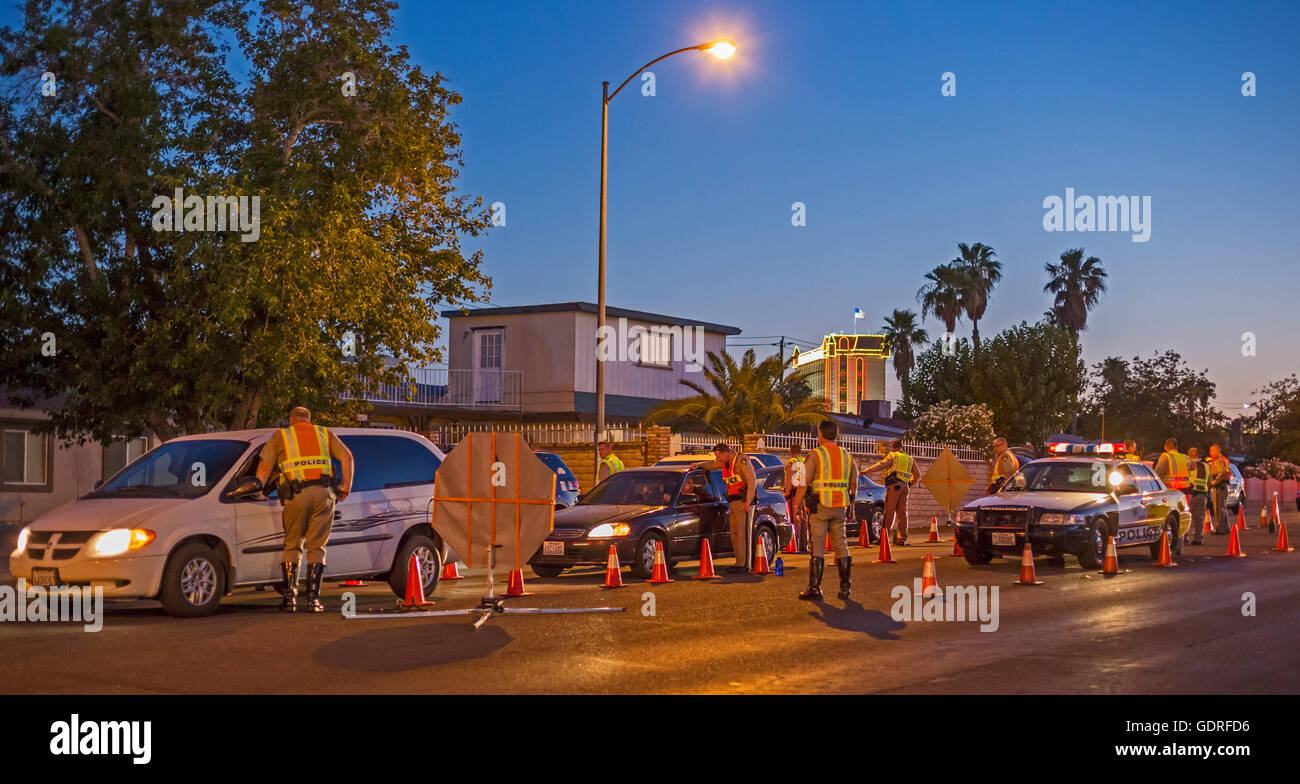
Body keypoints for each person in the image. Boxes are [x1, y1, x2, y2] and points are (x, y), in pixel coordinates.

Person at [255, 407, 354, 612]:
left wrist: (257, 489)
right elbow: (347, 456)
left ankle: (290, 600)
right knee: (317, 548)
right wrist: (346, 486)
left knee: (292, 545)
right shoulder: (324, 433)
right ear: (309, 420)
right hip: (324, 495)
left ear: (292, 420)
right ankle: (313, 600)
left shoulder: (281, 435)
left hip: (296, 496)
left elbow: (265, 467)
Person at [793, 420, 858, 600]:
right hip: (840, 507)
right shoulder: (847, 456)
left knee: (818, 547)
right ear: (835, 435)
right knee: (841, 545)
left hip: (820, 508)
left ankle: (815, 588)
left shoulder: (816, 455)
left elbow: (804, 482)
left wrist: (796, 505)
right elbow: (854, 485)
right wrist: (851, 507)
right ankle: (845, 588)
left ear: (820, 434)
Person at [691, 443, 757, 573]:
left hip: (743, 501)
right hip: (733, 501)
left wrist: (748, 501)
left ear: (725, 453)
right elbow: (712, 465)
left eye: (718, 456)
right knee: (734, 534)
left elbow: (751, 480)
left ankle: (745, 565)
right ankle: (739, 563)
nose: (718, 459)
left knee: (743, 534)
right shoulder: (726, 463)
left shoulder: (741, 460)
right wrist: (698, 465)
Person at [863, 439, 917, 546]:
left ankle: (883, 538)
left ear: (893, 447)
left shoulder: (893, 456)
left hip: (894, 486)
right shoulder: (910, 459)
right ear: (902, 446)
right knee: (902, 514)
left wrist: (866, 471)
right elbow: (917, 474)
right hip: (905, 487)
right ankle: (902, 539)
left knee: (889, 512)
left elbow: (881, 465)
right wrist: (909, 484)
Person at [784, 443, 808, 551]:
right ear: (800, 451)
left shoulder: (792, 462)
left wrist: (787, 493)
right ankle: (804, 545)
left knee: (795, 519)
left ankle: (795, 544)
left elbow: (789, 479)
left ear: (790, 452)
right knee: (803, 520)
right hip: (805, 493)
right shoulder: (804, 461)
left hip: (795, 493)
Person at [1185, 447, 1209, 548]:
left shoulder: (1189, 465)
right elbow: (1209, 480)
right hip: (1202, 494)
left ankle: (1184, 537)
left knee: (1185, 518)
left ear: (1189, 455)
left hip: (1190, 495)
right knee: (1199, 519)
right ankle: (1198, 539)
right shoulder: (1205, 466)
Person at [1208, 444, 1232, 535]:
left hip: (1219, 487)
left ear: (1217, 451)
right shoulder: (1224, 459)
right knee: (1222, 508)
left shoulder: (1219, 461)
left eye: (1212, 451)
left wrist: (1214, 482)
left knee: (1218, 508)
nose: (1210, 453)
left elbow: (1221, 472)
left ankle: (1220, 529)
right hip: (1223, 486)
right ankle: (1226, 528)